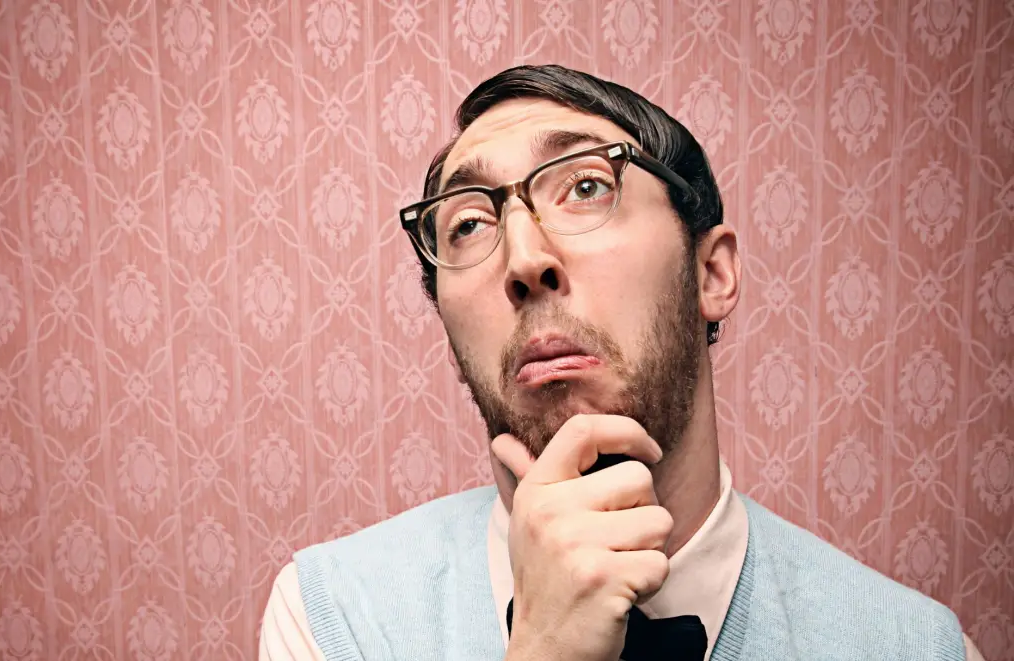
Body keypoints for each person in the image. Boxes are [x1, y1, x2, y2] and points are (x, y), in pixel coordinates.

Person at [258, 65, 985, 661]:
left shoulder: (918, 648)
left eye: (586, 187)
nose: (524, 258)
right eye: (469, 223)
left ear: (711, 273)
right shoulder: (331, 621)